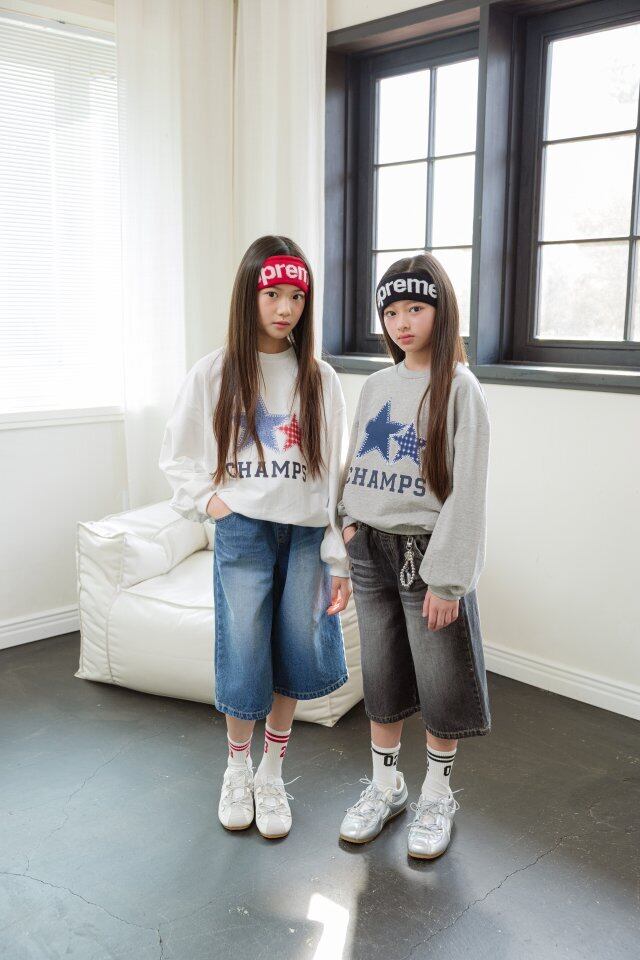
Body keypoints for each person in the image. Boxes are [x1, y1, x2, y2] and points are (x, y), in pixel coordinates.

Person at [159, 235, 352, 840]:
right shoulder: (215, 372)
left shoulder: (320, 378)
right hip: (242, 528)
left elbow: (337, 477)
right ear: (249, 296)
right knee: (243, 645)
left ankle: (272, 772)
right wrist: (213, 504)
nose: (285, 307)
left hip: (306, 534)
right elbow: (177, 454)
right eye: (273, 294)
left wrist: (338, 557)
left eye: (297, 296)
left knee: (296, 644)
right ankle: (237, 767)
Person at [337, 252, 491, 859]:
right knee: (381, 671)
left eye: (415, 309)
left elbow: (468, 489)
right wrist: (347, 522)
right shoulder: (377, 385)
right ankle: (385, 786)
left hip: (426, 555)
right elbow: (356, 459)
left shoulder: (461, 388)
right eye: (392, 312)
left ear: (440, 311)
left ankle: (437, 795)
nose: (402, 322)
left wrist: (448, 581)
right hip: (369, 548)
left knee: (441, 678)